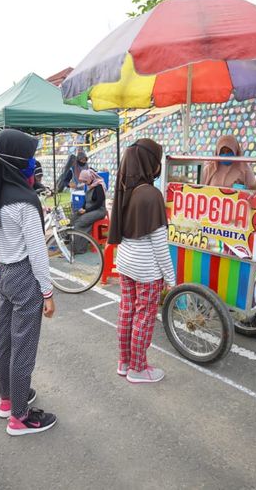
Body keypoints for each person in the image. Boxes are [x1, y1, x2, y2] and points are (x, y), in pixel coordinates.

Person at [0, 128, 57, 436]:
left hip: (3, 273)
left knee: (5, 340)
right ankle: (20, 418)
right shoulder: (25, 202)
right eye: (29, 158)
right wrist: (47, 292)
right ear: (16, 162)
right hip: (24, 276)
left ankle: (8, 400)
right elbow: (38, 252)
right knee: (23, 346)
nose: (32, 164)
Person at [108, 138, 175, 383]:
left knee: (127, 311)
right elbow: (160, 246)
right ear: (150, 163)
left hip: (125, 262)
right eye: (157, 161)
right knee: (144, 317)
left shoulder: (124, 186)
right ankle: (138, 368)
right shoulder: (151, 195)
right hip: (146, 269)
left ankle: (124, 362)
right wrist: (171, 279)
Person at [71, 169, 107, 252]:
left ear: (90, 178)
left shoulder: (99, 186)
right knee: (74, 217)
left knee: (81, 222)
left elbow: (98, 203)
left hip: (99, 211)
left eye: (85, 180)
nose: (84, 183)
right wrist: (82, 208)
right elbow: (86, 201)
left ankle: (79, 249)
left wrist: (86, 211)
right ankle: (75, 243)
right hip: (90, 210)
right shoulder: (89, 186)